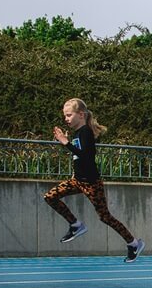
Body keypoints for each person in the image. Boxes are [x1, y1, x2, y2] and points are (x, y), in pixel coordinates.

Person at [44, 98, 145, 263]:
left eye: (69, 115)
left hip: (91, 183)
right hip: (77, 181)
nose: (66, 119)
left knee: (105, 217)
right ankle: (75, 225)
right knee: (50, 197)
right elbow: (78, 157)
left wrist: (66, 143)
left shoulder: (86, 132)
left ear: (81, 115)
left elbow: (87, 156)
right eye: (65, 116)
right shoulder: (77, 133)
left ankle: (134, 244)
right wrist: (70, 154)